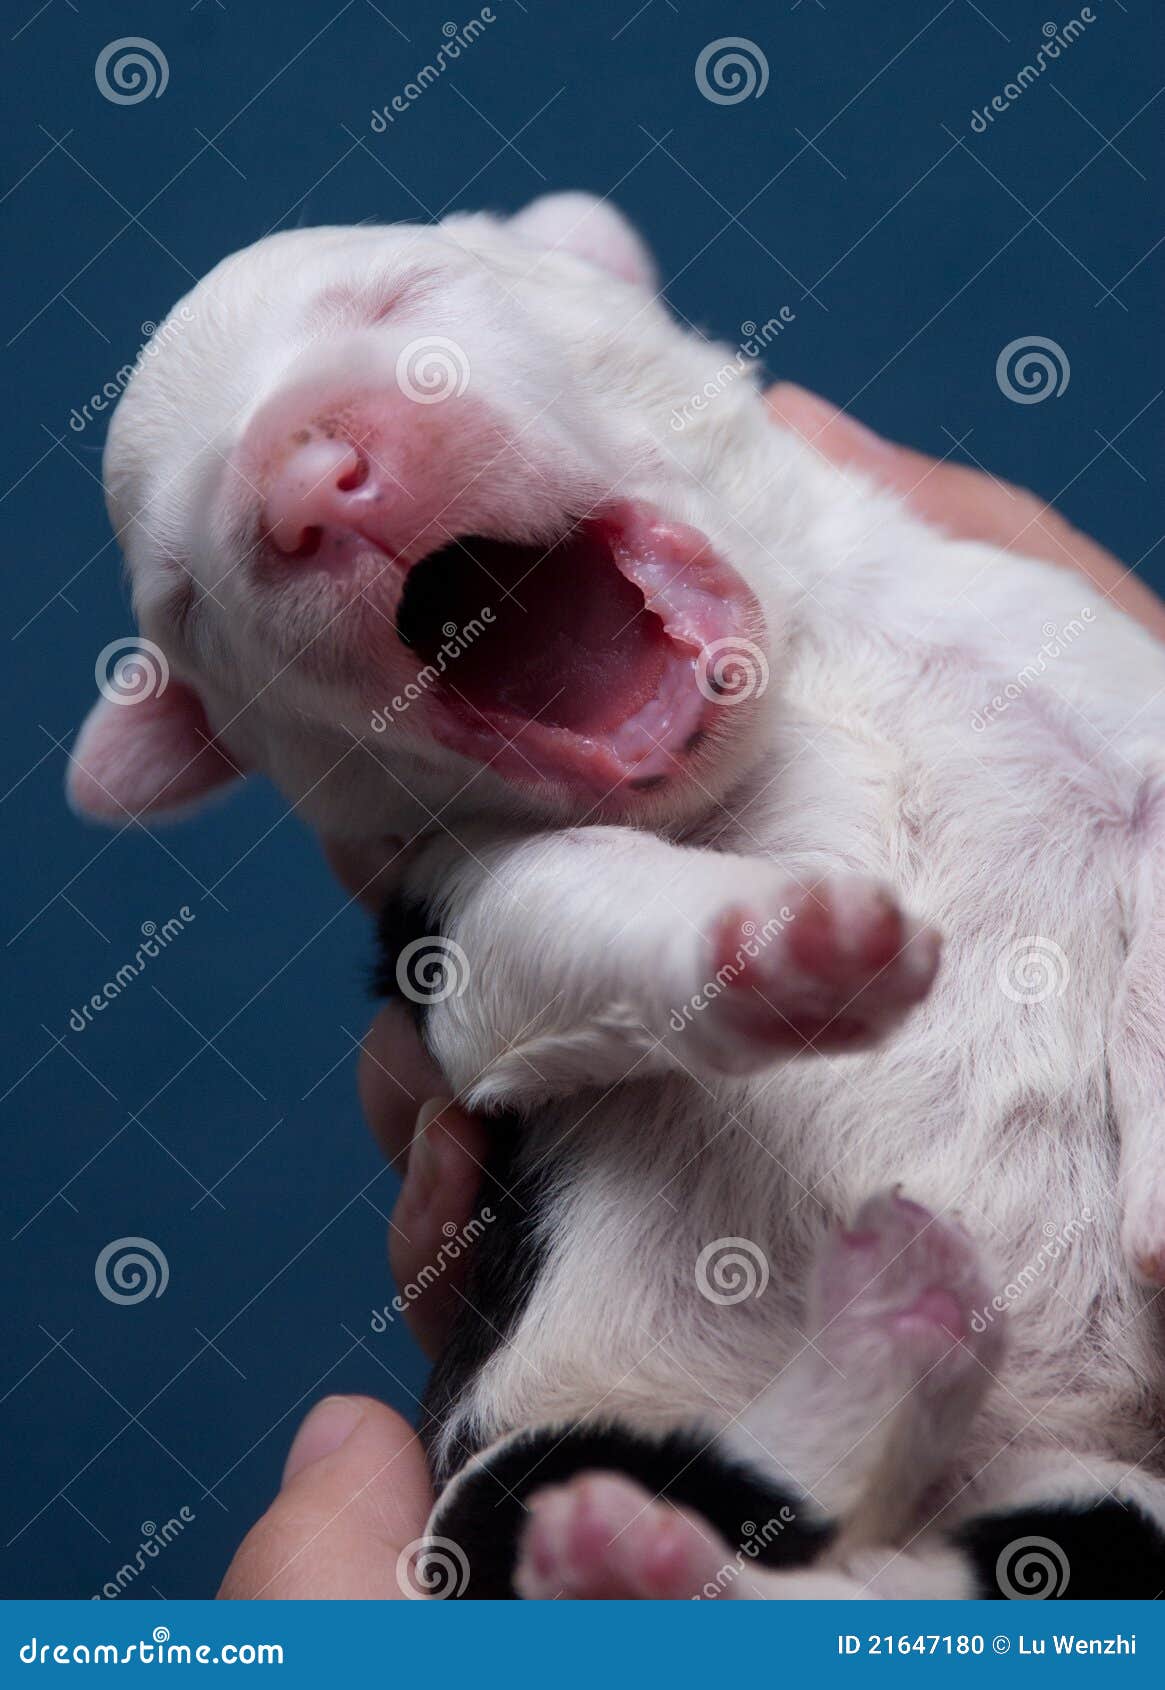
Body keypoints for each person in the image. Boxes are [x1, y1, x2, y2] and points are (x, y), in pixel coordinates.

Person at [219, 384, 1165, 1599]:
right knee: (534, 1516)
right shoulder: (484, 839)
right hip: (621, 1426)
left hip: (1084, 1484)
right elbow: (468, 971)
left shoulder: (998, 610)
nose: (315, 492)